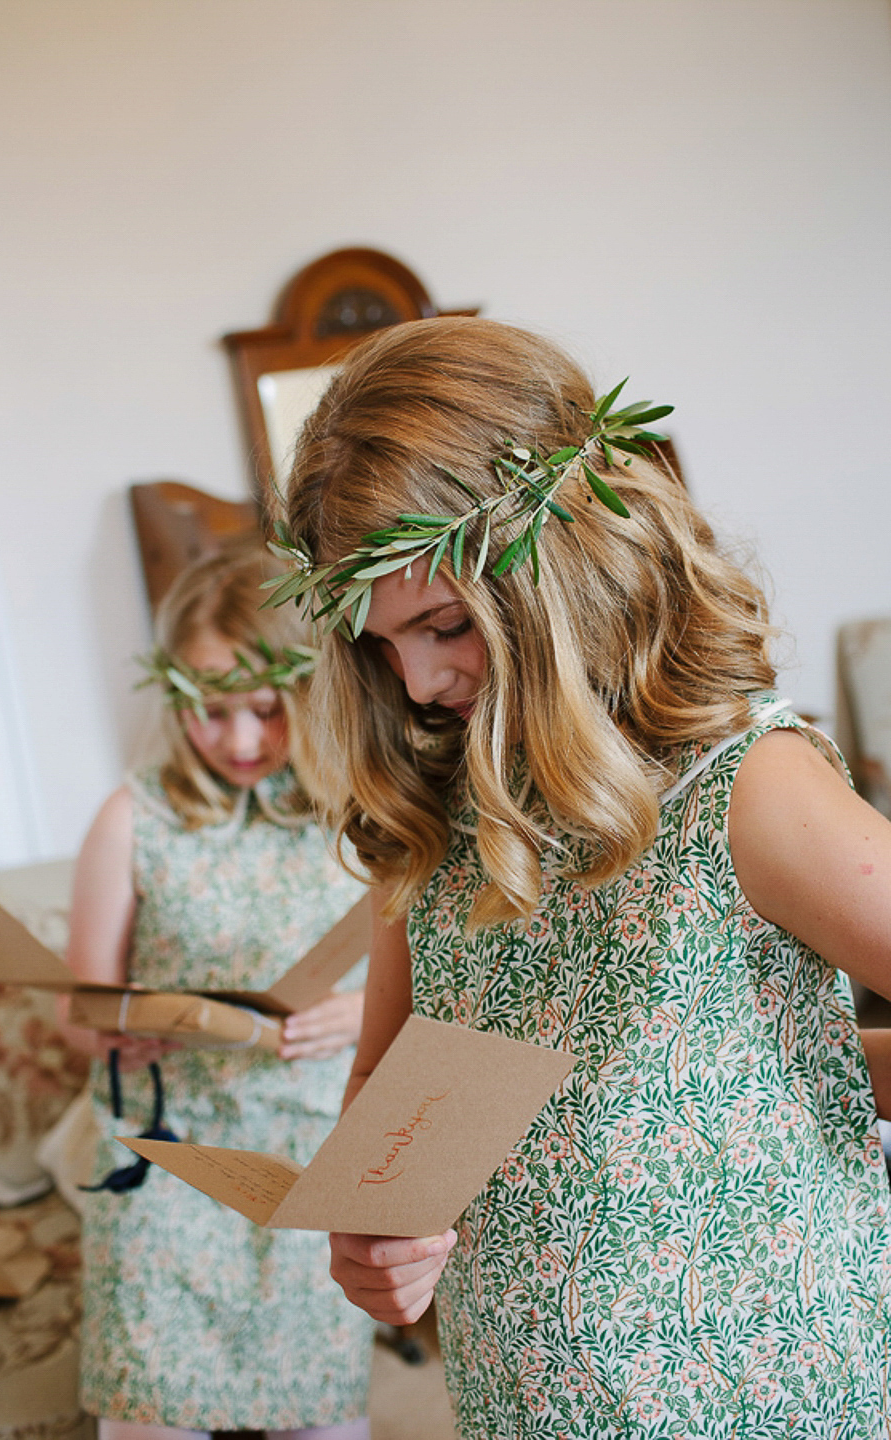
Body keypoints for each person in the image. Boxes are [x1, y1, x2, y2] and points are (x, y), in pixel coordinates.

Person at [270, 316, 891, 1438]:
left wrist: (820, 1082)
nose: (413, 682)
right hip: (520, 1399)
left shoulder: (744, 788)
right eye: (379, 644)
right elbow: (389, 1099)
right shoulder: (437, 823)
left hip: (760, 1399)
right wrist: (375, 1239)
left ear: (562, 568)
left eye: (445, 624)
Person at [62, 540, 374, 1440]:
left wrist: (354, 1016)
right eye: (211, 710)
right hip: (166, 1170)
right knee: (151, 1419)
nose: (239, 740)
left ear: (311, 690)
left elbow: (431, 989)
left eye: (266, 709)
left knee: (322, 1424)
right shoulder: (133, 818)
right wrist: (129, 1027)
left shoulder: (357, 817)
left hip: (310, 1166)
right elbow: (75, 1011)